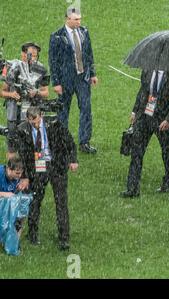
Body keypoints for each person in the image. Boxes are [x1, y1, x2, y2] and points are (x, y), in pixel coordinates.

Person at [11, 106, 78, 250]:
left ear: (41, 116)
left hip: (56, 164)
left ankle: (64, 238)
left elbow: (69, 141)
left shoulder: (54, 123)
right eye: (31, 122)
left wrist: (73, 160)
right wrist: (25, 176)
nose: (34, 124)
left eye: (36, 121)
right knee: (35, 200)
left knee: (61, 201)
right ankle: (33, 234)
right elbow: (22, 155)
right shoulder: (23, 130)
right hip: (37, 167)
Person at [120, 69, 169, 197]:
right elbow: (142, 91)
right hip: (145, 116)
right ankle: (132, 188)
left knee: (166, 152)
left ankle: (167, 182)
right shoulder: (147, 70)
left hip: (162, 120)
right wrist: (134, 111)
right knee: (137, 151)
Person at [48, 5, 98, 154]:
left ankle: (84, 142)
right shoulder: (57, 36)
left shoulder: (84, 31)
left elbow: (89, 53)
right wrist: (56, 82)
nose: (79, 22)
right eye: (76, 19)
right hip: (65, 81)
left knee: (86, 109)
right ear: (67, 19)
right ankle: (61, 141)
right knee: (63, 111)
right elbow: (53, 60)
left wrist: (93, 73)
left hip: (83, 78)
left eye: (80, 19)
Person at [0, 42, 49, 154]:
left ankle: (30, 166)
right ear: (23, 54)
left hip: (32, 112)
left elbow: (46, 93)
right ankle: (13, 168)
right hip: (14, 110)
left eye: (36, 56)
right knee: (12, 142)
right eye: (30, 55)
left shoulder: (41, 69)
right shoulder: (14, 68)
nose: (33, 58)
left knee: (32, 143)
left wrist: (36, 92)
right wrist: (11, 95)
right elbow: (2, 92)